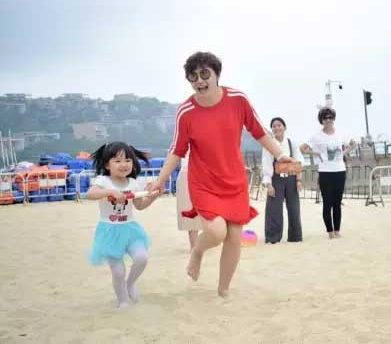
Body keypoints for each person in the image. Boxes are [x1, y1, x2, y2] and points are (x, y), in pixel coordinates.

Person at [146, 52, 293, 297]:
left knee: (234, 236)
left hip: (234, 180)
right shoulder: (186, 111)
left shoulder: (238, 100)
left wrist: (280, 155)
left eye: (205, 74)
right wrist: (160, 180)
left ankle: (223, 289)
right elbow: (177, 150)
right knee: (216, 232)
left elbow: (259, 131)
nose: (199, 81)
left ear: (217, 75)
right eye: (193, 76)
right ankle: (197, 251)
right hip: (203, 182)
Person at [87, 142, 161, 308]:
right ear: (107, 164)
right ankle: (122, 300)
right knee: (118, 271)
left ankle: (130, 283)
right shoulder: (103, 180)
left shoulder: (133, 183)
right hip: (109, 232)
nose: (124, 164)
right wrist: (110, 192)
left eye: (128, 160)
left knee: (142, 258)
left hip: (130, 229)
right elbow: (91, 194)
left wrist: (152, 197)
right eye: (118, 161)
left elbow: (139, 206)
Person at [300, 107, 356, 239]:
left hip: (340, 171)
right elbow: (302, 148)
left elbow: (354, 144)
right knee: (327, 202)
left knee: (337, 202)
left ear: (333, 118)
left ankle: (337, 231)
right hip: (325, 172)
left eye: (330, 117)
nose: (328, 120)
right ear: (321, 120)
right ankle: (330, 232)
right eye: (325, 117)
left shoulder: (341, 133)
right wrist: (317, 154)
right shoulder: (316, 136)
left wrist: (343, 153)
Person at [261, 117, 304, 244]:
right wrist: (268, 184)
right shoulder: (269, 144)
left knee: (294, 208)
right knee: (274, 209)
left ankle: (295, 237)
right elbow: (266, 165)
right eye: (274, 126)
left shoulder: (292, 143)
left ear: (284, 127)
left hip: (291, 179)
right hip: (276, 180)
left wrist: (298, 180)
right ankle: (272, 238)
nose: (276, 128)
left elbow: (298, 161)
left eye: (279, 125)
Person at [175, 151, 200, 250]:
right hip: (188, 170)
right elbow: (174, 153)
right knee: (190, 210)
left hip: (208, 170)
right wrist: (161, 180)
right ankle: (194, 246)